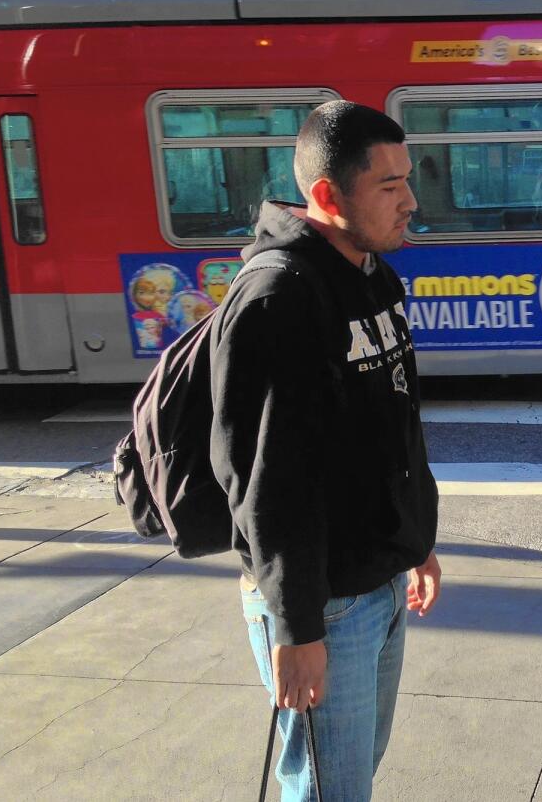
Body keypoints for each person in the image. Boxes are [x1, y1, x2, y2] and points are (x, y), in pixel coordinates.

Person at [210, 100, 442, 802]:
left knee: (348, 780)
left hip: (379, 579)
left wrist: (415, 540)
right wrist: (297, 625)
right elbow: (271, 480)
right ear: (325, 195)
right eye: (388, 186)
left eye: (408, 179)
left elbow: (394, 424)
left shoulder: (372, 271)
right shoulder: (282, 296)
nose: (410, 200)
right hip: (327, 604)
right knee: (326, 791)